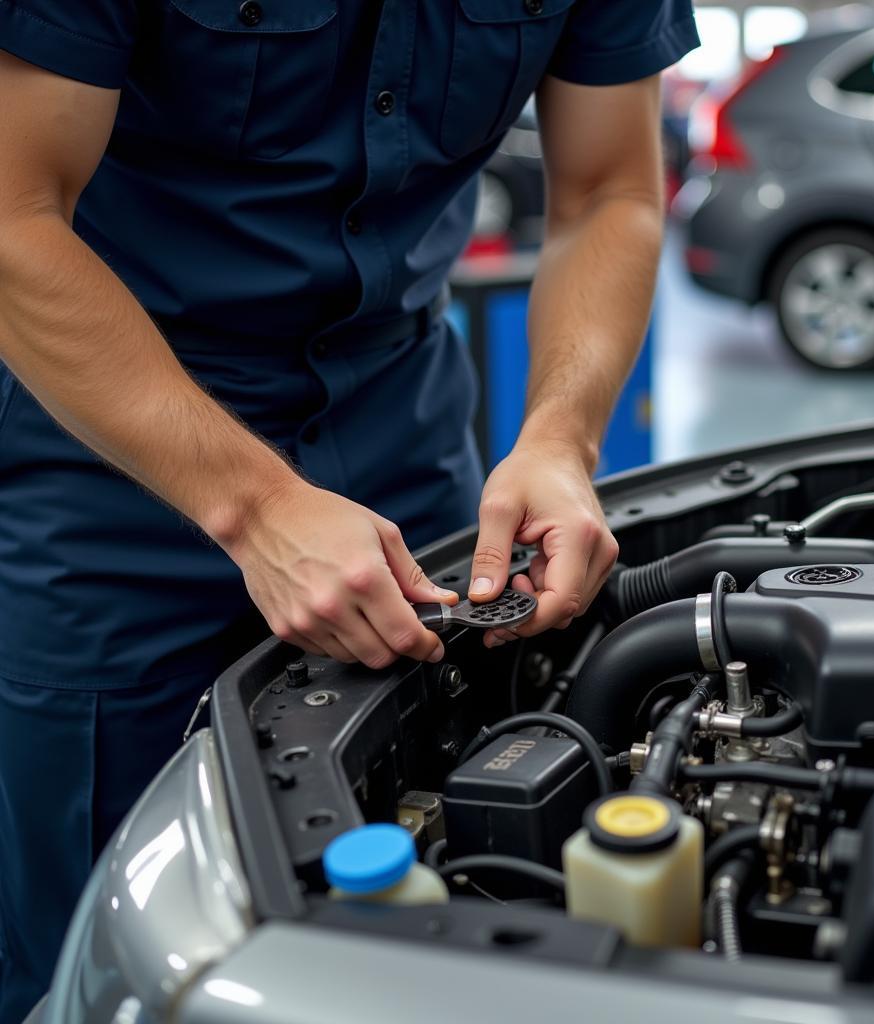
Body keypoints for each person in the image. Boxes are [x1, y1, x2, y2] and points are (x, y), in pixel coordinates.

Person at [0, 1, 698, 1019]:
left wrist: (559, 436)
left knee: (428, 880)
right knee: (104, 941)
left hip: (402, 436)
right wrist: (254, 505)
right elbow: (14, 215)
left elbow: (610, 192)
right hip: (113, 464)